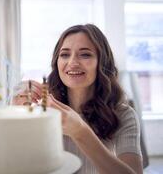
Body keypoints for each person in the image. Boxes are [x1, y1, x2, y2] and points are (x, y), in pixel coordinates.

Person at [13, 24, 143, 174]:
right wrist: (14, 113)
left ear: (102, 62)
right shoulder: (42, 112)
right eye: (65, 54)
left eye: (85, 54)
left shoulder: (124, 115)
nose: (73, 62)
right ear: (57, 63)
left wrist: (80, 132)